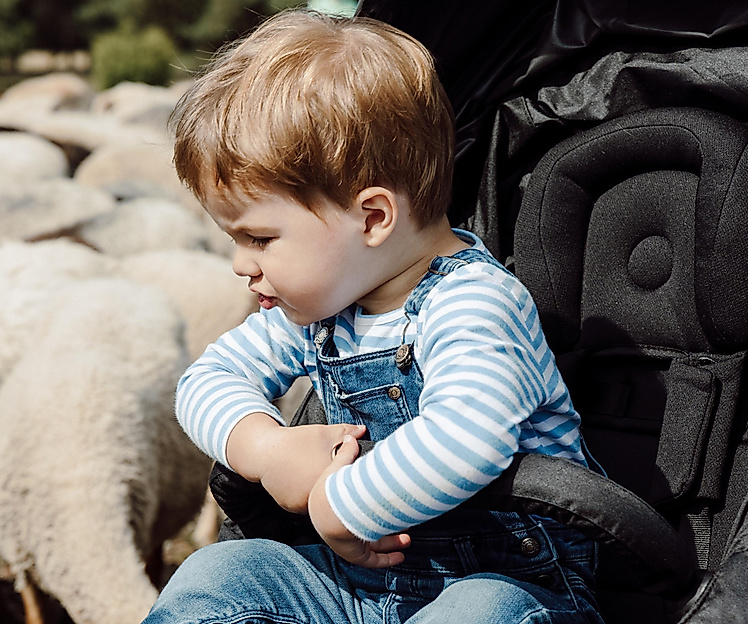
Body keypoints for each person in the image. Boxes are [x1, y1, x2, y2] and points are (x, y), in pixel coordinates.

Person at [145, 8, 604, 624]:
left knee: (479, 611)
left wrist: (340, 505)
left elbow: (472, 434)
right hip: (361, 588)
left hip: (516, 586)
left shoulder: (472, 303)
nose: (238, 264)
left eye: (259, 238)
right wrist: (267, 447)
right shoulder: (319, 313)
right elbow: (206, 378)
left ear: (372, 218)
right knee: (214, 577)